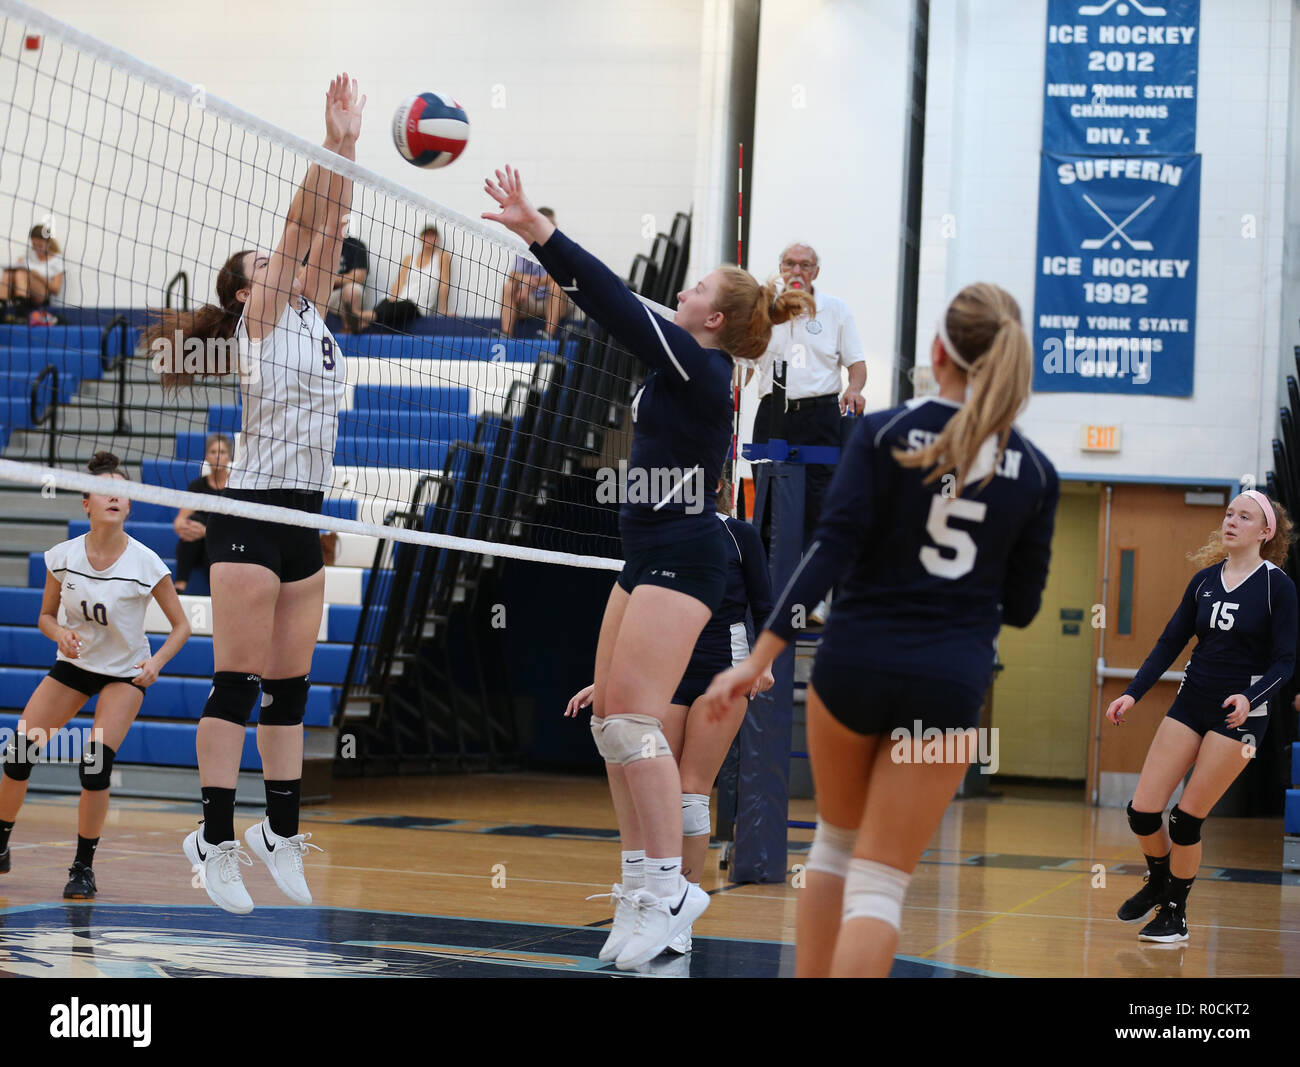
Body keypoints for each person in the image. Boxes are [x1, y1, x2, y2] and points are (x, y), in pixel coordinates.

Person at [483, 164, 812, 969]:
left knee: (635, 725)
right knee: (611, 725)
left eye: (696, 286)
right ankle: (640, 889)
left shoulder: (699, 365)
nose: (685, 291)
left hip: (687, 552)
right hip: (643, 554)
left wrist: (540, 231)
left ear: (715, 316)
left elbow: (614, 302)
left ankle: (670, 890)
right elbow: (620, 313)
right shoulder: (684, 364)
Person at [703, 283, 1059, 978]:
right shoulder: (1037, 472)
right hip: (949, 683)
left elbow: (826, 552)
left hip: (853, 666)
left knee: (833, 851)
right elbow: (1021, 609)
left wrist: (760, 657)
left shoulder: (882, 432)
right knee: (881, 884)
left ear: (937, 352)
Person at [143, 72, 362, 914]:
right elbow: (302, 220)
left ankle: (277, 829)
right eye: (263, 263)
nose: (281, 262)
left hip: (305, 511)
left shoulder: (309, 309)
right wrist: (326, 144)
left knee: (291, 687)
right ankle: (214, 833)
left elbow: (330, 222)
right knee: (235, 681)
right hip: (253, 511)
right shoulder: (259, 320)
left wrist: (348, 144)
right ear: (243, 288)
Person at [564, 479, 774, 959]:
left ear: (714, 484)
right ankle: (650, 902)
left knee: (692, 795)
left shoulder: (738, 535)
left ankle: (682, 910)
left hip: (725, 673)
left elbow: (766, 605)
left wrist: (765, 664)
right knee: (655, 784)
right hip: (669, 673)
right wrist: (610, 682)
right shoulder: (655, 537)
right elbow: (637, 617)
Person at [1106, 491, 1296, 943]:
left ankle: (1175, 914)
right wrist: (1133, 694)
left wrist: (1251, 698)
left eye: (1244, 516)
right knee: (1141, 811)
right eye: (1229, 513)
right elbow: (1169, 642)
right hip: (1192, 701)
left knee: (1185, 821)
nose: (1231, 521)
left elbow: (1286, 662)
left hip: (1243, 719)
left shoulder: (1277, 586)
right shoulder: (1204, 581)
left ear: (1265, 532)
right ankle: (1158, 880)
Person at [0, 452, 190, 899]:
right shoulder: (62, 556)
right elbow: (44, 617)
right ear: (85, 503)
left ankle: (82, 867)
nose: (115, 497)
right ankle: (1, 841)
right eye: (105, 490)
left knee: (94, 762)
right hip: (74, 667)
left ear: (130, 506)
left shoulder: (146, 562)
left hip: (123, 674)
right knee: (18, 753)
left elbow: (181, 626)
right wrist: (59, 634)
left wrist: (156, 663)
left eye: (123, 492)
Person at [749, 243, 866, 553]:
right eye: (790, 264)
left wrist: (854, 389)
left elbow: (857, 364)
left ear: (816, 271)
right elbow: (744, 362)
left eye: (804, 265)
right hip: (773, 413)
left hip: (819, 415)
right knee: (767, 507)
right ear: (780, 267)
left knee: (818, 507)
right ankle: (766, 595)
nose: (796, 271)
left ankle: (809, 594)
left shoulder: (835, 309)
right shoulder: (763, 309)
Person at [348, 223, 450, 332]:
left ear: (438, 239)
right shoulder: (409, 258)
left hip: (417, 305)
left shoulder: (442, 256)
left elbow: (444, 283)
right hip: (400, 300)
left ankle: (359, 316)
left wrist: (443, 310)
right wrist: (392, 298)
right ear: (421, 238)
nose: (430, 238)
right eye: (427, 235)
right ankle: (361, 323)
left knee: (399, 308)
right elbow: (400, 282)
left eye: (433, 235)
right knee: (386, 302)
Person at [173, 433, 232, 594]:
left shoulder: (236, 486)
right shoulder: (197, 485)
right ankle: (179, 589)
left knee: (209, 538)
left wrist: (206, 532)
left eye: (222, 452)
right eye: (213, 452)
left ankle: (215, 592)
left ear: (229, 456)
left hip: (224, 545)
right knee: (193, 520)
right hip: (196, 544)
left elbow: (238, 529)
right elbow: (179, 523)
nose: (217, 456)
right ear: (206, 456)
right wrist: (189, 528)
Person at [498, 207, 568, 339]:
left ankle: (548, 335)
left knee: (556, 286)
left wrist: (531, 285)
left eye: (551, 225)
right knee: (509, 287)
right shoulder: (526, 244)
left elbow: (558, 276)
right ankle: (506, 335)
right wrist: (524, 279)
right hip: (529, 300)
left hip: (554, 301)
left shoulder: (561, 246)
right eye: (544, 224)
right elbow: (512, 275)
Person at [1, 223, 66, 322]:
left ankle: (21, 315)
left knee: (21, 273)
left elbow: (56, 289)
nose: (37, 248)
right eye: (34, 245)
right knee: (8, 273)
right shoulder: (28, 254)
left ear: (48, 242)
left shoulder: (57, 259)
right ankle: (1, 309)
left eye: (40, 245)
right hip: (21, 295)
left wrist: (37, 276)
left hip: (41, 297)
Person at [327, 229, 369, 334]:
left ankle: (351, 329)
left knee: (353, 290)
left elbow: (358, 277)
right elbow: (300, 271)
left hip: (341, 296)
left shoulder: (356, 245)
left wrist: (325, 277)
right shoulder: (316, 242)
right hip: (321, 293)